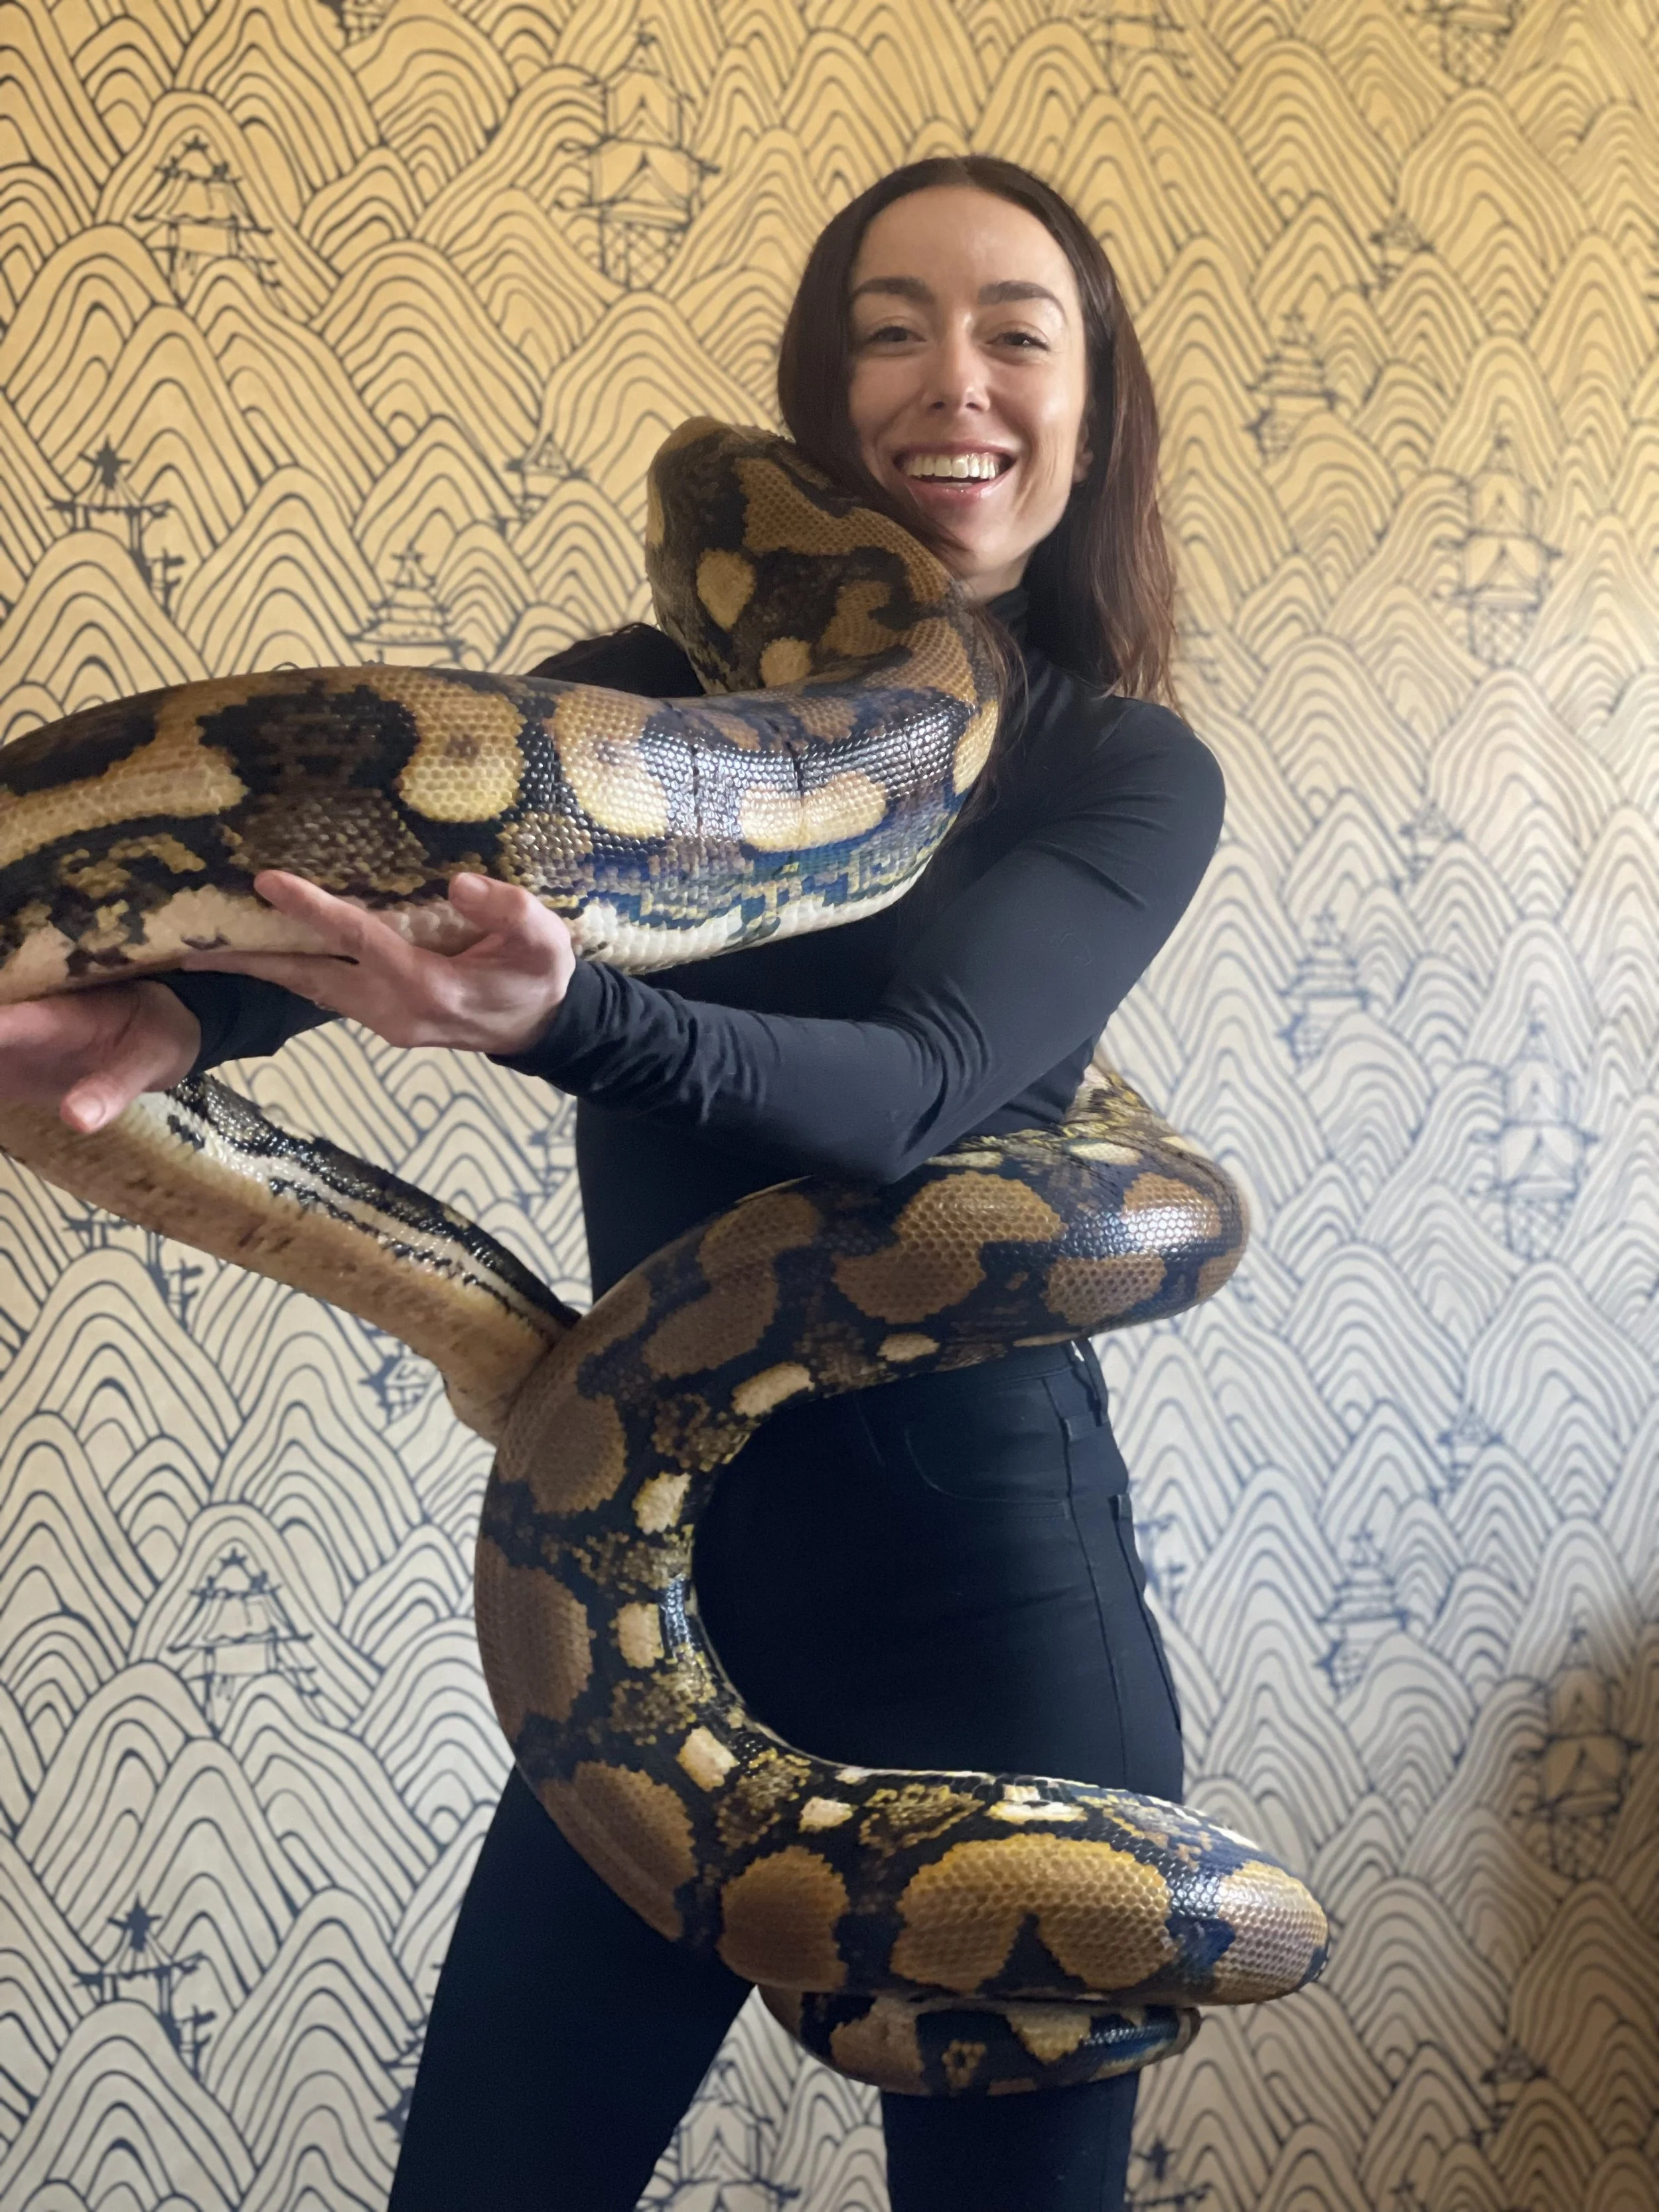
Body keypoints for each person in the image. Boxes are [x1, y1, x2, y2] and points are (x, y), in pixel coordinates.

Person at [0, 158, 1224, 2211]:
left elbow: (915, 1090)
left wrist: (581, 1019)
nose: (953, 377)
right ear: (818, 404)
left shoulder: (1114, 770)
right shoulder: (633, 706)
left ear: (1090, 417)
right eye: (890, 328)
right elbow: (374, 900)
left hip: (997, 1624)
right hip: (641, 1600)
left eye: (1016, 332)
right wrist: (169, 1020)